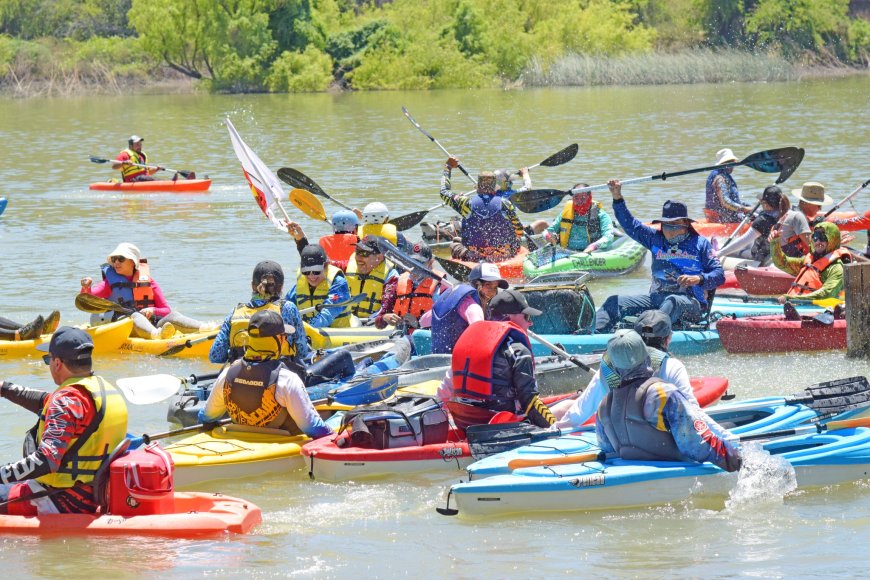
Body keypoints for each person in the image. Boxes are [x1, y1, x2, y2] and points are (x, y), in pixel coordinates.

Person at [0, 327, 128, 514]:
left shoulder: (66, 401)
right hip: (96, 495)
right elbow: (44, 401)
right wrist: (4, 388)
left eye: (48, 360)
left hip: (61, 499)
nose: (49, 364)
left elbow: (46, 461)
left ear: (57, 363)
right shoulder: (101, 391)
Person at [594, 329, 741, 471]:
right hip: (674, 476)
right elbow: (696, 444)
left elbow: (607, 450)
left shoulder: (604, 407)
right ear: (648, 358)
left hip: (630, 478)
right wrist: (736, 459)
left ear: (616, 369)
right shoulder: (663, 395)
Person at [596, 180, 724, 333]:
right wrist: (617, 197)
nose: (668, 231)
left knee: (673, 301)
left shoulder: (701, 244)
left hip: (690, 303)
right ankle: (593, 336)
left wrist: (699, 279)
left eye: (673, 226)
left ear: (685, 224)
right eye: (665, 225)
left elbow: (719, 275)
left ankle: (650, 336)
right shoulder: (655, 238)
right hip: (657, 298)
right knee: (614, 302)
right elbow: (630, 225)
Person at [199, 311, 332, 438]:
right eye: (284, 337)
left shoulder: (227, 374)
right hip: (278, 444)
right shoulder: (287, 379)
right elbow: (314, 429)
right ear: (279, 340)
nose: (285, 341)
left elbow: (206, 417)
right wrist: (334, 432)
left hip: (239, 438)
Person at [554, 310, 696, 428]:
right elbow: (693, 414)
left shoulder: (610, 367)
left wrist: (554, 430)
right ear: (668, 339)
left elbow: (579, 413)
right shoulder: (672, 366)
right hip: (659, 442)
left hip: (621, 442)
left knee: (570, 405)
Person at [437, 289, 555, 429]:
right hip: (502, 427)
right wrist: (555, 427)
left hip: (465, 424)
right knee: (567, 407)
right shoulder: (518, 351)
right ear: (509, 317)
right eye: (527, 317)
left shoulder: (470, 345)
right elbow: (530, 402)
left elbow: (443, 392)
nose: (530, 323)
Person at [80, 242, 209, 340]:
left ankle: (205, 328)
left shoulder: (149, 282)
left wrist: (153, 310)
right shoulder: (109, 283)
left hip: (152, 324)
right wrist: (86, 288)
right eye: (114, 259)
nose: (116, 262)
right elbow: (86, 300)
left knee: (173, 315)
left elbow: (166, 310)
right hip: (124, 327)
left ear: (133, 262)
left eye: (121, 258)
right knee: (135, 316)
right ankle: (157, 335)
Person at [209, 261, 310, 366]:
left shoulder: (235, 312)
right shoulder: (288, 308)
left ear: (253, 286)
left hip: (241, 373)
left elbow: (215, 356)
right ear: (281, 287)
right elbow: (302, 352)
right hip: (277, 373)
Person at [440, 156, 525, 262]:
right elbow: (519, 231)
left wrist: (447, 167)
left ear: (478, 187)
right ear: (494, 187)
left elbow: (444, 192)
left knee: (456, 243)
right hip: (503, 256)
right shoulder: (506, 203)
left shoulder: (466, 203)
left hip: (475, 256)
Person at [424, 262, 508, 354]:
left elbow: (423, 321)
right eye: (488, 285)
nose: (492, 291)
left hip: (437, 357)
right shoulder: (474, 308)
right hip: (457, 362)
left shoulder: (453, 298)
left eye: (495, 287)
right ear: (476, 284)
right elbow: (481, 336)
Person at [770, 221, 849, 305]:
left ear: (832, 239)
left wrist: (792, 299)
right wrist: (775, 242)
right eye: (815, 237)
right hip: (792, 304)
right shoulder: (808, 260)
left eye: (822, 238)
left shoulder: (837, 268)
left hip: (815, 309)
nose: (818, 242)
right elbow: (782, 263)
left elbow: (826, 294)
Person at [375, 241, 444, 333]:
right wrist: (385, 318)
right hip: (403, 339)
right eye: (411, 263)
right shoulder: (398, 282)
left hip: (427, 338)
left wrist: (419, 324)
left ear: (430, 263)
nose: (414, 268)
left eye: (419, 264)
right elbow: (378, 323)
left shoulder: (441, 286)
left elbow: (445, 323)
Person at [717, 185, 790, 265]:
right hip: (781, 252)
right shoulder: (789, 212)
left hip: (762, 256)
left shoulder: (762, 221)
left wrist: (720, 253)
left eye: (762, 203)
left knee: (733, 251)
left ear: (766, 204)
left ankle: (718, 250)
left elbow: (743, 240)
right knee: (750, 244)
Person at [286, 245, 352, 329]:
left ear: (326, 266)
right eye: (306, 272)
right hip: (310, 332)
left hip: (337, 333)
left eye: (316, 271)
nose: (311, 276)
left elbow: (328, 314)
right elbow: (286, 307)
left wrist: (307, 330)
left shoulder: (339, 283)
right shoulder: (301, 284)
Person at [540, 184, 615, 252]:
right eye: (576, 198)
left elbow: (608, 237)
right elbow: (548, 230)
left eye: (583, 198)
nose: (579, 201)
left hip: (592, 252)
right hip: (567, 252)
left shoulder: (601, 215)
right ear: (572, 198)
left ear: (589, 197)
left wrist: (594, 246)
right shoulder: (565, 213)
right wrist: (548, 236)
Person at [343, 235, 399, 322]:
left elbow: (386, 307)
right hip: (348, 320)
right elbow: (329, 268)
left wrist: (379, 319)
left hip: (373, 323)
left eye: (364, 254)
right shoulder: (347, 267)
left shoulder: (391, 277)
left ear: (379, 257)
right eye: (357, 252)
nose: (359, 258)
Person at [287, 209, 360, 265]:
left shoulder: (324, 242)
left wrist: (300, 238)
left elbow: (310, 257)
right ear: (355, 228)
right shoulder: (361, 244)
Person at [704, 148, 754, 223]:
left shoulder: (721, 174)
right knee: (759, 216)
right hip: (722, 217)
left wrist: (745, 206)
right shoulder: (720, 178)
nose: (733, 166)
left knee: (753, 209)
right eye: (731, 163)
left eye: (733, 162)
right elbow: (726, 202)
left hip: (720, 214)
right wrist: (744, 209)